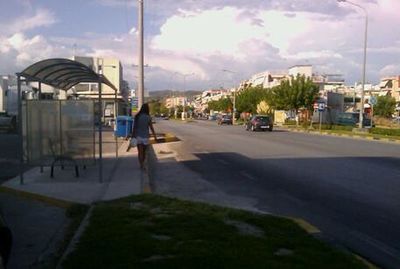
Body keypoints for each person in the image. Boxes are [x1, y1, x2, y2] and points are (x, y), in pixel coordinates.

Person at [132, 103, 157, 169]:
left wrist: (133, 136)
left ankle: (141, 164)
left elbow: (134, 127)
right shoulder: (148, 117)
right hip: (146, 137)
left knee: (140, 152)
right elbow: (151, 127)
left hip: (138, 136)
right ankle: (143, 163)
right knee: (144, 152)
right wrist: (155, 136)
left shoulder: (137, 116)